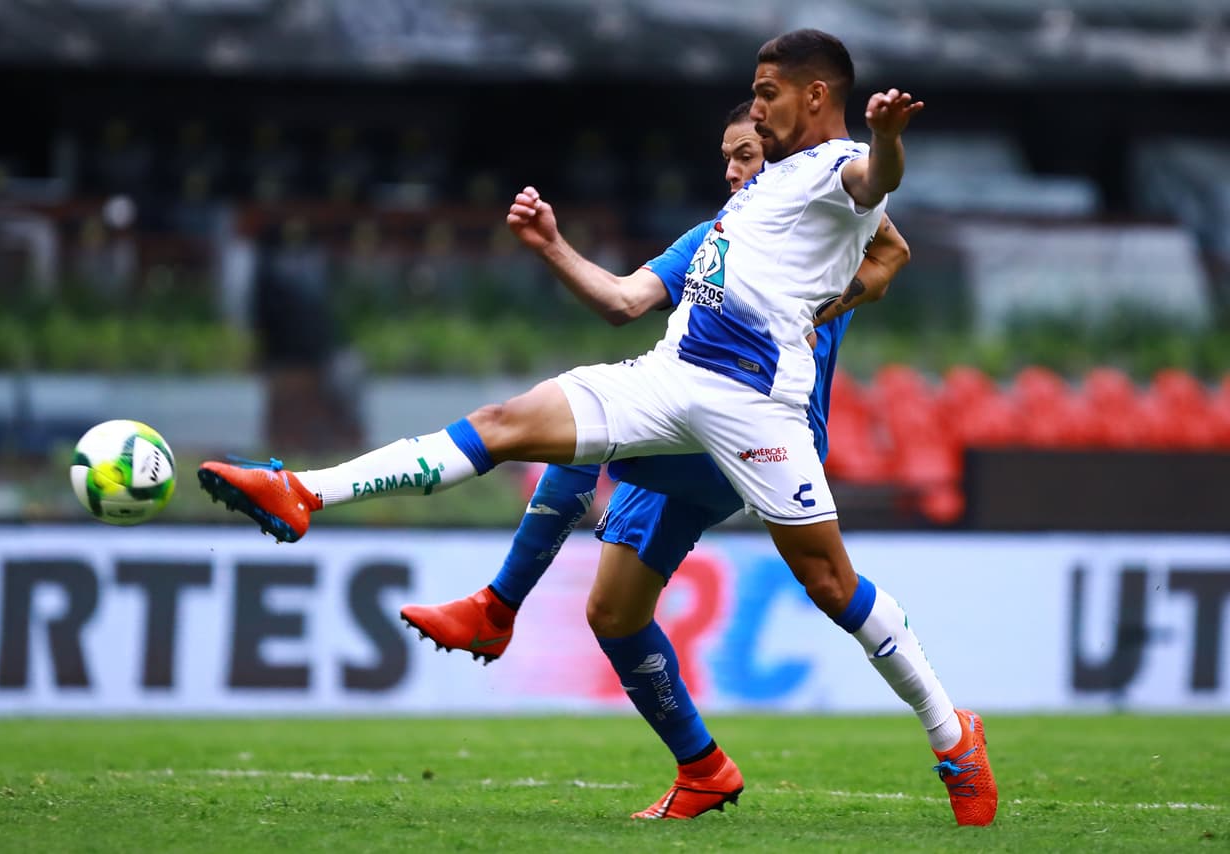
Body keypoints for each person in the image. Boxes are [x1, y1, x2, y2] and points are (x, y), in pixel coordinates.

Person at [198, 29, 997, 827]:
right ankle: (302, 490)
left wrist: (886, 146)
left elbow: (874, 187)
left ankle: (951, 732)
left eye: (764, 96)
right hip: (669, 379)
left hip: (757, 408)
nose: (748, 124)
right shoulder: (743, 203)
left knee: (829, 583)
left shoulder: (833, 170)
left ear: (815, 96)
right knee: (509, 426)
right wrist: (551, 245)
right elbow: (622, 302)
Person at [398, 101, 908, 823]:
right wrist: (551, 246)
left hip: (757, 433)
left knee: (584, 434)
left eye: (746, 155)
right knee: (612, 612)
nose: (732, 171)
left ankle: (498, 604)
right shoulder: (712, 241)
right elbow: (624, 298)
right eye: (727, 158)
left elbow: (891, 242)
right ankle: (702, 768)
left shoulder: (826, 213)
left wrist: (827, 303)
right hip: (688, 419)